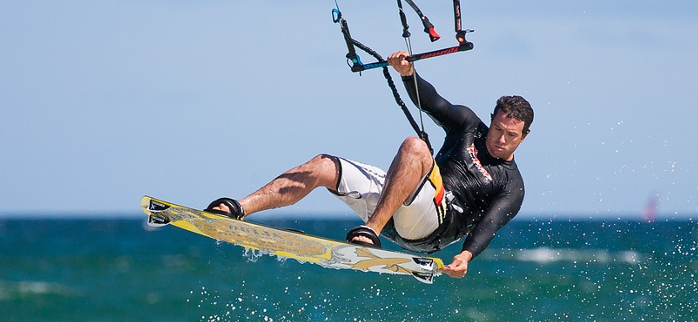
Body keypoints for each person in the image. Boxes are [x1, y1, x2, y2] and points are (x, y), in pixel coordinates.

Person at [206, 51, 533, 278]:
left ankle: (369, 233)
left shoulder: (510, 185)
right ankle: (238, 208)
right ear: (492, 120)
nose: (500, 139)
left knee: (415, 147)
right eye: (498, 129)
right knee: (323, 165)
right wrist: (409, 74)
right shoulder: (469, 126)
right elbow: (433, 103)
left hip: (434, 227)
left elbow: (488, 226)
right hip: (400, 205)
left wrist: (465, 256)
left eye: (511, 135)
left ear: (524, 136)